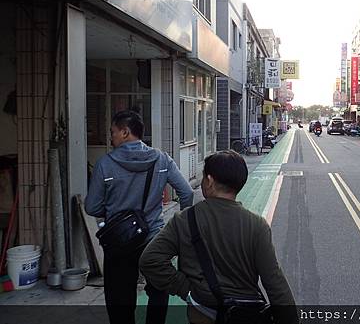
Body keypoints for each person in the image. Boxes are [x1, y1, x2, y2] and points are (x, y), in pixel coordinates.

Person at [139, 150, 298, 324]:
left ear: (210, 181)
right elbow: (275, 284)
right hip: (245, 315)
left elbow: (150, 260)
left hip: (202, 314)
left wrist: (186, 290)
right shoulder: (257, 226)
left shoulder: (185, 220)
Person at [86, 110, 194, 324]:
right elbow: (187, 193)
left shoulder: (105, 163)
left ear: (125, 132)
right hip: (154, 238)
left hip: (118, 242)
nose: (111, 137)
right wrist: (179, 228)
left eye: (113, 132)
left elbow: (92, 206)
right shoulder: (161, 159)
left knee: (119, 297)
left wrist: (113, 212)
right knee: (158, 290)